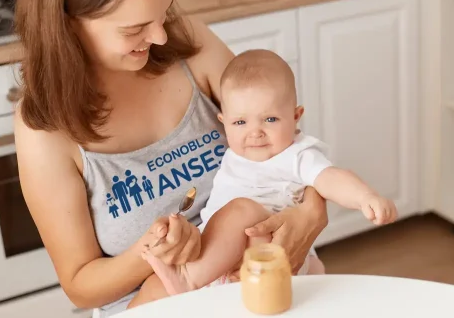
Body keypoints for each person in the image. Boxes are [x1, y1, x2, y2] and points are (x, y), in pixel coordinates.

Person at [12, 0, 330, 316]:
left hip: (259, 283)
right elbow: (80, 286)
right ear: (69, 24)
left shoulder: (188, 43)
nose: (160, 36)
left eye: (163, 13)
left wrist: (311, 214)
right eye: (135, 28)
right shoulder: (45, 127)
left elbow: (285, 143)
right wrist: (153, 251)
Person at [138, 49, 398, 298]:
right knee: (156, 286)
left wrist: (366, 197)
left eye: (270, 119)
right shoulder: (236, 154)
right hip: (220, 262)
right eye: (240, 122)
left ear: (296, 116)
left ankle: (188, 278)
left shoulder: (297, 155)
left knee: (243, 211)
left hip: (274, 252)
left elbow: (331, 177)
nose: (255, 132)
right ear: (224, 122)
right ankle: (195, 276)